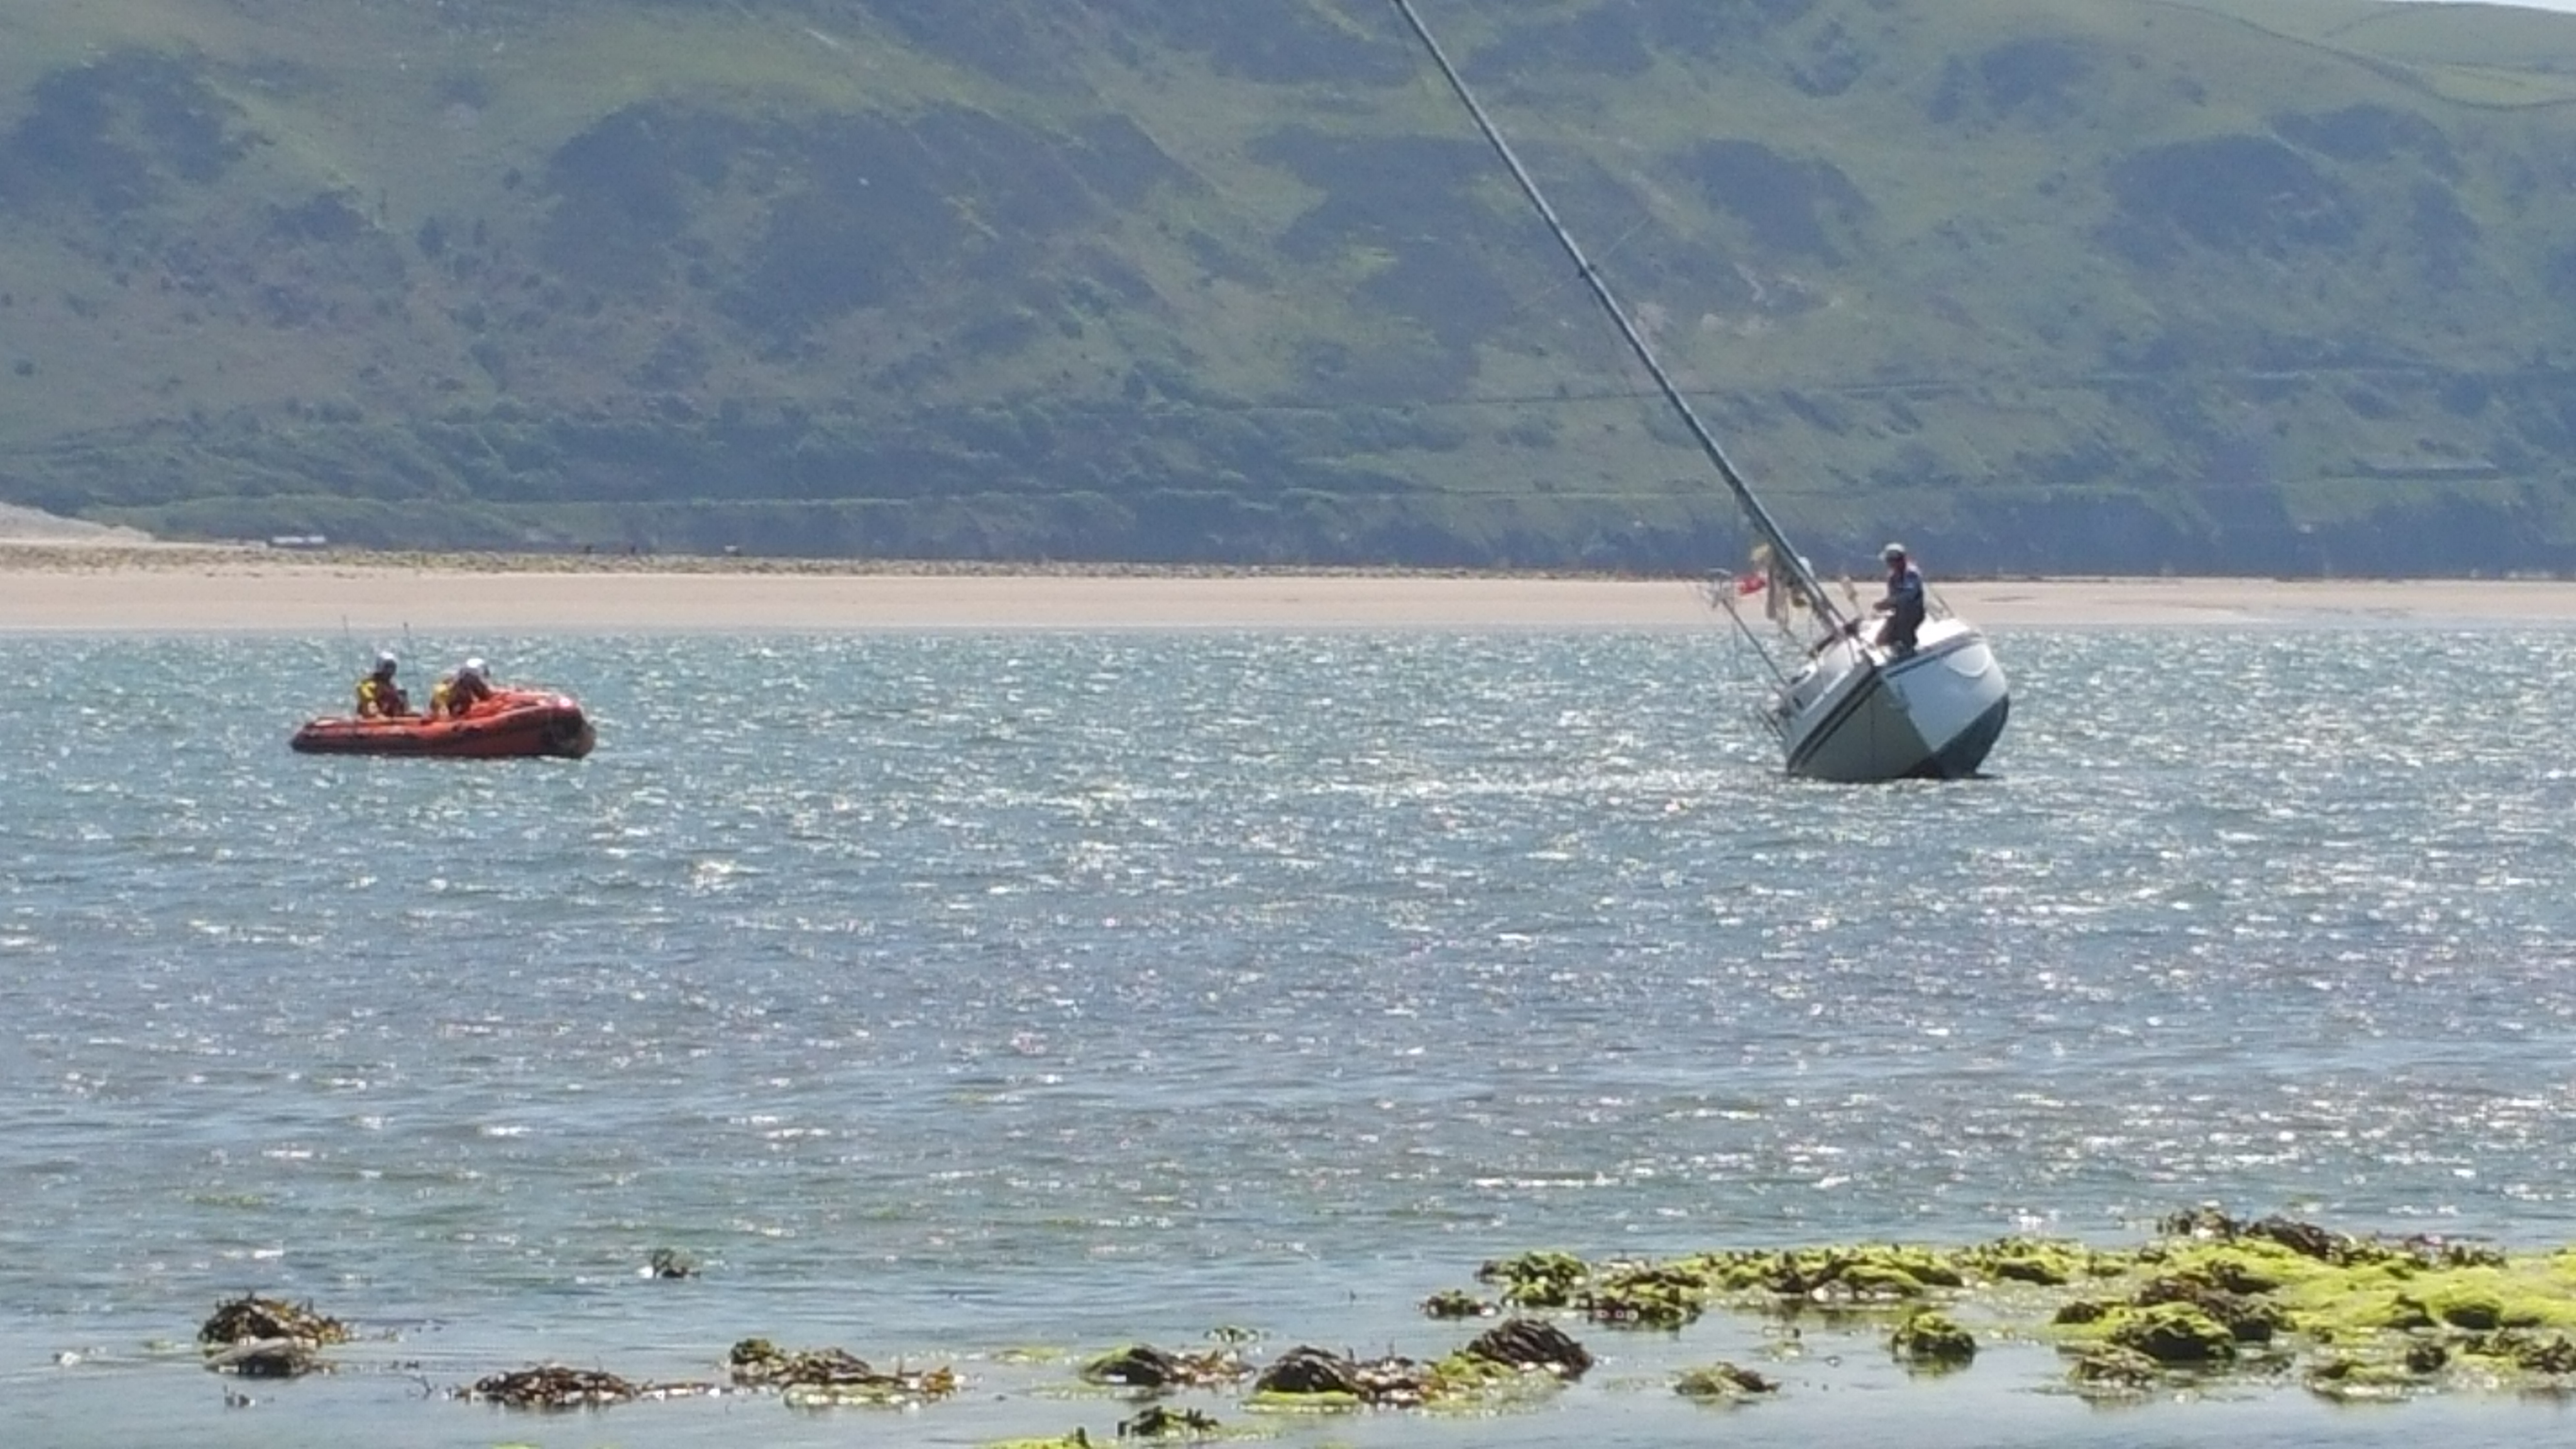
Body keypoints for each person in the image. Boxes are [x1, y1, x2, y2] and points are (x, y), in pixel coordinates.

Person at [1871, 543, 1925, 655]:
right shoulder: (1893, 577)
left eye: (1890, 561)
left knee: (1904, 633)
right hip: (1898, 613)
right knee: (1882, 639)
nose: (1889, 565)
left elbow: (1908, 596)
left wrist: (1889, 602)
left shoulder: (1912, 574)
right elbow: (1893, 597)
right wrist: (1883, 606)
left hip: (1913, 612)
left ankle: (1910, 650)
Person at [431, 657, 496, 718]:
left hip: (465, 675)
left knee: (465, 698)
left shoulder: (444, 690)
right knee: (467, 698)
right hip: (467, 676)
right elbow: (483, 680)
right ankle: (460, 714)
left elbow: (461, 675)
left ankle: (459, 713)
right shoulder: (443, 692)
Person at [354, 651, 412, 718]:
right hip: (372, 722)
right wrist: (386, 720)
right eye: (387, 668)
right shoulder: (368, 687)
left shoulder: (392, 687)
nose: (390, 671)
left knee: (402, 694)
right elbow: (371, 711)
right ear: (380, 668)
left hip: (390, 721)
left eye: (392, 668)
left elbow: (403, 713)